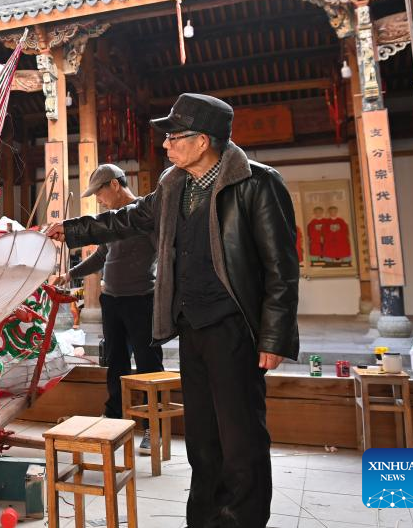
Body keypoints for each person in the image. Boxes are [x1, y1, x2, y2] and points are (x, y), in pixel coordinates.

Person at [46, 93, 299, 528]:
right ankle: (204, 519)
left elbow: (282, 268)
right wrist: (71, 231)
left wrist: (274, 337)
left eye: (174, 136)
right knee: (202, 437)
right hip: (192, 324)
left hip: (235, 326)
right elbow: (127, 219)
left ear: (203, 141)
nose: (166, 144)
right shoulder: (173, 184)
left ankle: (242, 520)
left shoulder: (257, 183)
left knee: (240, 437)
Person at [56, 163, 162, 454]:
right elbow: (101, 255)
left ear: (115, 185)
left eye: (99, 193)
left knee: (148, 365)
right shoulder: (111, 223)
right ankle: (114, 419)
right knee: (115, 362)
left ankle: (153, 428)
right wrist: (70, 274)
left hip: (142, 300)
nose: (99, 200)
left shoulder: (143, 214)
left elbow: (167, 253)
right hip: (112, 301)